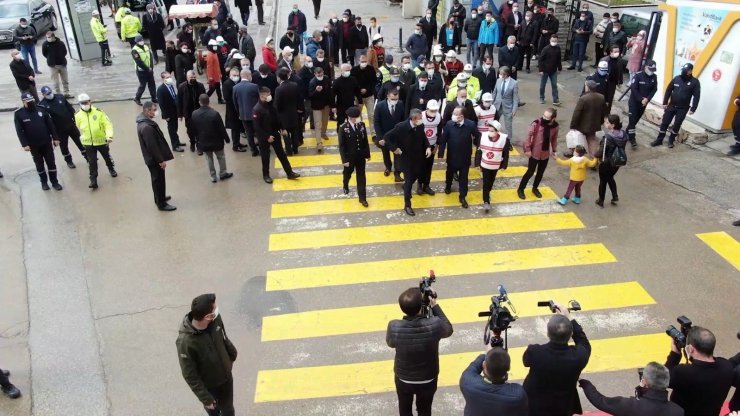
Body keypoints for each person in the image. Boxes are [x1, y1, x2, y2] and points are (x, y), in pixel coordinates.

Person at [386, 286, 453, 415]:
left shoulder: (394, 326)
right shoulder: (434, 324)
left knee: (404, 410)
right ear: (421, 305)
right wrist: (435, 306)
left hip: (404, 378)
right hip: (428, 377)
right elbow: (448, 329)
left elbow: (391, 343)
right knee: (425, 410)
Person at [522, 302, 591, 416]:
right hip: (562, 408)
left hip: (535, 406)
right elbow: (583, 342)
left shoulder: (536, 352)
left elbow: (525, 361)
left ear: (548, 333)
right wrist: (569, 318)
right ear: (570, 334)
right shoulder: (579, 356)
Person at [176, 293, 237, 416]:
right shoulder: (185, 343)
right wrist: (206, 399)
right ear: (208, 316)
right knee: (215, 413)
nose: (217, 309)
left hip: (226, 377)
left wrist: (232, 353)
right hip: (209, 388)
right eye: (214, 308)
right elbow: (190, 374)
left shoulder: (216, 320)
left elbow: (223, 337)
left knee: (229, 410)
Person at [665, 326, 735, 416]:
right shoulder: (726, 367)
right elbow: (703, 366)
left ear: (690, 349)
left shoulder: (682, 373)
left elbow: (662, 378)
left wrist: (675, 354)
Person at [579, 362, 683, 416]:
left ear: (645, 382)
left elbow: (600, 401)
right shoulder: (678, 411)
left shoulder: (630, 405)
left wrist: (585, 383)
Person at [385, 109, 432, 216]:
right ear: (413, 119)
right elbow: (387, 137)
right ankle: (407, 205)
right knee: (409, 181)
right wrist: (394, 148)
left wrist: (428, 147)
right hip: (406, 159)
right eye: (420, 118)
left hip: (418, 157)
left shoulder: (420, 126)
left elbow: (424, 138)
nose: (422, 120)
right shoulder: (401, 127)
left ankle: (407, 185)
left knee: (418, 175)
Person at [460, 344, 527, 416]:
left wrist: (487, 355)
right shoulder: (518, 395)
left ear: (484, 365)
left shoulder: (467, 382)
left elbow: (473, 367)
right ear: (508, 368)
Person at [14, 92, 62, 191]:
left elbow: (50, 125)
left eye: (32, 101)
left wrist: (55, 138)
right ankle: (44, 182)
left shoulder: (41, 109)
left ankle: (54, 182)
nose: (31, 103)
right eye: (28, 102)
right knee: (39, 164)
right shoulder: (19, 114)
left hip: (46, 142)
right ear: (23, 102)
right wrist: (25, 144)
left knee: (51, 163)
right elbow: (19, 131)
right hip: (33, 145)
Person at [252, 87, 301, 183]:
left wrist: (283, 128)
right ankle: (266, 175)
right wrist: (267, 137)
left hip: (275, 134)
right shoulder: (257, 109)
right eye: (268, 94)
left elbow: (277, 118)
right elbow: (257, 127)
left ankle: (289, 173)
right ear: (262, 95)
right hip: (264, 137)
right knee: (265, 157)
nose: (270, 96)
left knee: (282, 154)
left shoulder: (270, 105)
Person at [136, 101, 176, 211]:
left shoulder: (144, 122)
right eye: (154, 110)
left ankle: (160, 198)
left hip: (152, 159)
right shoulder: (147, 127)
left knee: (157, 180)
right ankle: (161, 204)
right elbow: (152, 146)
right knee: (158, 181)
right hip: (154, 160)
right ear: (147, 111)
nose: (155, 112)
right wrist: (161, 160)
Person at [438, 107, 480, 208]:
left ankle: (462, 196)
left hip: (465, 157)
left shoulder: (470, 125)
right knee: (449, 173)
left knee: (464, 178)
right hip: (452, 156)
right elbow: (443, 140)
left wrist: (480, 149)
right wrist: (440, 153)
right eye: (453, 113)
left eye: (455, 113)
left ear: (461, 116)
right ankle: (448, 186)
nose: (453, 115)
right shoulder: (449, 124)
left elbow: (478, 136)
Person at [651, 63, 700, 149]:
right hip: (671, 105)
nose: (683, 72)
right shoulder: (677, 78)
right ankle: (659, 140)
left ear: (690, 71)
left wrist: (693, 108)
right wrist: (665, 102)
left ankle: (671, 141)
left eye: (685, 71)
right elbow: (668, 90)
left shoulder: (695, 82)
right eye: (683, 70)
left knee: (677, 124)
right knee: (665, 122)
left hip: (683, 108)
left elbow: (697, 96)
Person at [75, 94, 117, 189]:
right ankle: (93, 180)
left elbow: (107, 124)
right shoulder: (78, 115)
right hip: (88, 143)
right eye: (82, 103)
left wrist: (109, 136)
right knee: (92, 162)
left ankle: (111, 168)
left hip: (101, 141)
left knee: (107, 157)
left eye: (86, 102)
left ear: (90, 101)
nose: (84, 104)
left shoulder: (99, 113)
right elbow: (79, 126)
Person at [38, 86, 86, 168]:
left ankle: (87, 157)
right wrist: (53, 135)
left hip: (71, 125)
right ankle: (69, 161)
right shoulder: (42, 105)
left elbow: (70, 108)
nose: (50, 95)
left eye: (50, 92)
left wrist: (75, 119)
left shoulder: (60, 97)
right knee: (64, 147)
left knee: (80, 142)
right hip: (59, 130)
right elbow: (46, 122)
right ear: (43, 95)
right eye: (47, 94)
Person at [191, 94, 234, 183]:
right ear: (208, 101)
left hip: (204, 141)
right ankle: (223, 173)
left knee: (209, 158)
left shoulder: (194, 113)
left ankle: (213, 176)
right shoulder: (214, 113)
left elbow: (193, 128)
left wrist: (196, 140)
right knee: (221, 157)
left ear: (199, 102)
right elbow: (221, 128)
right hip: (216, 141)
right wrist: (227, 139)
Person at [517, 108, 558, 200]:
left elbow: (554, 139)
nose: (544, 118)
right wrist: (527, 149)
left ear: (553, 119)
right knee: (530, 172)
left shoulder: (555, 127)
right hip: (534, 153)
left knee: (540, 173)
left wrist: (554, 150)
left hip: (545, 154)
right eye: (543, 115)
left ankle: (535, 188)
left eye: (547, 117)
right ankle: (520, 189)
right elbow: (528, 136)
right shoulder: (537, 123)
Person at [338, 106, 370, 206]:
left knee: (361, 177)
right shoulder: (343, 128)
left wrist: (367, 154)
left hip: (360, 156)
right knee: (348, 173)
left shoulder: (361, 125)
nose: (358, 119)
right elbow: (342, 146)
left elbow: (365, 141)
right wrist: (344, 160)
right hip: (349, 157)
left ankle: (362, 198)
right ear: (350, 118)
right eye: (356, 117)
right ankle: (345, 184)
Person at [594, 114, 628, 207]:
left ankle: (601, 200)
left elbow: (601, 152)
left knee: (603, 181)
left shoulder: (608, 137)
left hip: (606, 163)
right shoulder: (623, 134)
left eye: (607, 122)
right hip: (617, 161)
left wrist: (595, 154)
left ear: (612, 125)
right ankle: (615, 196)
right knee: (610, 177)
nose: (605, 123)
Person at [477, 120, 509, 213]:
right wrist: (477, 163)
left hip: (495, 165)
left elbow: (505, 153)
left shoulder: (504, 139)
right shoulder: (483, 136)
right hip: (485, 164)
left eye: (492, 131)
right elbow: (479, 150)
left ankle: (487, 192)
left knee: (491, 182)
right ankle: (486, 201)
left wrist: (504, 165)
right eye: (489, 130)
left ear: (497, 131)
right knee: (486, 182)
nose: (490, 132)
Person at [374, 88, 406, 181]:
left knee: (397, 154)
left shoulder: (400, 104)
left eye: (396, 99)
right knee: (385, 153)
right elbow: (376, 122)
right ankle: (388, 167)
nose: (395, 101)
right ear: (387, 96)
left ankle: (397, 173)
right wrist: (380, 137)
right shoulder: (380, 106)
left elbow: (403, 119)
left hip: (396, 135)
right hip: (384, 135)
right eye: (393, 99)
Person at [570, 80, 608, 157]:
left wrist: (573, 125)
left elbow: (577, 113)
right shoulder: (601, 97)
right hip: (594, 124)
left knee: (576, 139)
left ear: (588, 88)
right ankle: (594, 159)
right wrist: (600, 122)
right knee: (592, 141)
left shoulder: (583, 98)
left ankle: (574, 154)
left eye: (586, 86)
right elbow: (604, 112)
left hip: (582, 125)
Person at [627, 60, 657, 148]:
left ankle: (627, 132)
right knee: (632, 120)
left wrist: (647, 99)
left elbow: (654, 89)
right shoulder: (638, 76)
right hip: (634, 102)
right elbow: (634, 88)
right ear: (646, 67)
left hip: (644, 104)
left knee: (635, 120)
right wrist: (641, 99)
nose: (652, 71)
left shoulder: (654, 77)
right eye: (650, 69)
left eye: (653, 70)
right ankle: (632, 139)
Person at [274, 68, 304, 155]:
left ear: (279, 77)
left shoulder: (279, 89)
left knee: (285, 134)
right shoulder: (294, 85)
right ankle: (295, 149)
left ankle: (289, 151)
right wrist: (299, 108)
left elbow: (277, 104)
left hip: (283, 116)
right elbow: (299, 98)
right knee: (294, 132)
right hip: (294, 113)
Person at [232, 69, 261, 156]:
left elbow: (235, 102)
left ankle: (253, 150)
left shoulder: (235, 87)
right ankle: (262, 147)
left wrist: (239, 113)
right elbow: (259, 100)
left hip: (243, 115)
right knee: (259, 132)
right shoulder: (254, 86)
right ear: (249, 76)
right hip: (255, 114)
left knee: (249, 134)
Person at [178, 71, 207, 153]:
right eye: (191, 78)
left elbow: (204, 98)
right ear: (187, 78)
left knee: (199, 130)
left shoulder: (200, 86)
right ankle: (192, 142)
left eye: (194, 77)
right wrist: (180, 115)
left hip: (199, 113)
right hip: (188, 113)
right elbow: (179, 101)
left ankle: (199, 146)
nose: (193, 79)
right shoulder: (182, 87)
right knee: (190, 130)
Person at [156, 71, 184, 152]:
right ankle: (175, 146)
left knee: (175, 127)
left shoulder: (171, 86)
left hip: (175, 111)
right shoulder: (160, 90)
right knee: (172, 129)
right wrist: (165, 116)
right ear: (163, 79)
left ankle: (177, 141)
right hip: (169, 114)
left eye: (169, 77)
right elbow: (161, 104)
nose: (169, 79)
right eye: (167, 77)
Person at [491, 66, 519, 140]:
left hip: (508, 108)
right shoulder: (498, 81)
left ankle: (509, 142)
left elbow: (515, 98)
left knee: (508, 126)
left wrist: (514, 110)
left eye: (501, 74)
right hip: (497, 106)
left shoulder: (514, 83)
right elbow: (494, 93)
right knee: (494, 124)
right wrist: (491, 104)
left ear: (506, 74)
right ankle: (494, 137)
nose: (500, 75)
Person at [351, 55, 377, 135]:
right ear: (359, 61)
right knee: (358, 115)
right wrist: (359, 90)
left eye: (365, 62)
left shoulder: (371, 69)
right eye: (362, 62)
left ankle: (373, 132)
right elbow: (353, 83)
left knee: (371, 114)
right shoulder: (354, 70)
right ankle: (360, 131)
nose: (364, 63)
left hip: (369, 96)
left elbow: (373, 82)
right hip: (358, 97)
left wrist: (367, 89)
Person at [222, 68, 246, 152]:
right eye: (234, 75)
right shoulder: (226, 84)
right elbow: (226, 97)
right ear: (230, 75)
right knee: (235, 129)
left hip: (239, 109)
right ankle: (235, 146)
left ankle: (238, 143)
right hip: (232, 110)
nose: (236, 77)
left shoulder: (239, 82)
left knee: (238, 128)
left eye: (237, 75)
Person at [309, 66, 332, 151]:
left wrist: (332, 104)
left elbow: (330, 91)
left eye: (321, 72)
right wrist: (316, 91)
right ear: (315, 74)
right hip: (317, 106)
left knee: (325, 121)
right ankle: (319, 142)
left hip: (326, 104)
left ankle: (323, 133)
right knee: (318, 124)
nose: (320, 74)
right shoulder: (312, 82)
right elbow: (310, 95)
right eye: (318, 74)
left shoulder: (326, 79)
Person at [332, 63, 361, 131]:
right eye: (346, 70)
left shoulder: (353, 79)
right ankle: (340, 136)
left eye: (349, 70)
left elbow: (357, 91)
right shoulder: (337, 81)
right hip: (341, 105)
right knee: (341, 122)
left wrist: (360, 101)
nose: (348, 72)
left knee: (354, 121)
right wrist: (333, 106)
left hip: (351, 104)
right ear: (341, 71)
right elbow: (332, 94)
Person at [41, 31, 70, 97]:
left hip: (62, 64)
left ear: (53, 36)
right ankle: (58, 95)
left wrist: (61, 57)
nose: (48, 38)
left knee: (65, 80)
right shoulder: (45, 44)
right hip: (52, 66)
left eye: (49, 37)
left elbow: (65, 52)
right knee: (55, 82)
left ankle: (66, 93)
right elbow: (44, 53)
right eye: (47, 37)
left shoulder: (60, 43)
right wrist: (50, 59)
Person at [131, 35, 157, 107]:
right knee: (143, 85)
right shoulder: (134, 50)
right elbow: (138, 61)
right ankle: (137, 98)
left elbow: (150, 57)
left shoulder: (146, 47)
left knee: (152, 84)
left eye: (142, 40)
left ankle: (154, 98)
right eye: (140, 41)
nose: (141, 41)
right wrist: (147, 68)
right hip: (141, 71)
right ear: (136, 42)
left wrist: (151, 67)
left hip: (149, 69)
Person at [538, 34, 561, 106]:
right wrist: (541, 70)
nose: (554, 42)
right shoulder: (546, 49)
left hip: (553, 70)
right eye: (552, 41)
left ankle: (555, 99)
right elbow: (541, 60)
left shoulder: (558, 48)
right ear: (550, 40)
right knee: (542, 85)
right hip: (545, 70)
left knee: (554, 85)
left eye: (555, 41)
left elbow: (559, 59)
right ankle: (542, 97)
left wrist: (559, 68)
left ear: (557, 40)